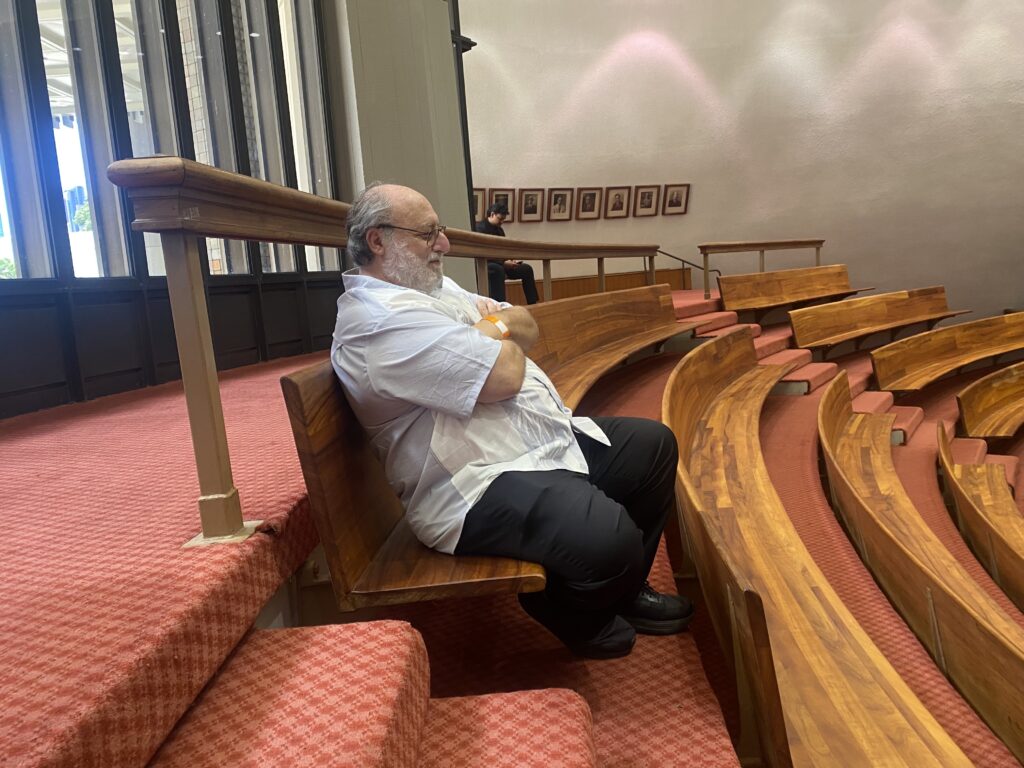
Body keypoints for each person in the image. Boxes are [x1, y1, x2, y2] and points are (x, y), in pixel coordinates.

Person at [332, 183, 694, 659]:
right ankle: (571, 613)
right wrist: (492, 335)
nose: (444, 245)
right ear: (378, 241)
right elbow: (504, 373)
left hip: (527, 442)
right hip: (472, 483)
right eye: (428, 234)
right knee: (611, 538)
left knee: (653, 447)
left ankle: (624, 594)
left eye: (440, 231)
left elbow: (525, 323)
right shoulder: (378, 322)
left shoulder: (435, 288)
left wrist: (488, 331)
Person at [474, 202, 539, 304]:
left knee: (526, 269)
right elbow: (483, 252)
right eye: (500, 219)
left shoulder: (499, 230)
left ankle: (533, 303)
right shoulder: (479, 229)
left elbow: (504, 248)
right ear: (492, 214)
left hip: (501, 262)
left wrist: (510, 259)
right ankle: (500, 305)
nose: (502, 222)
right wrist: (503, 263)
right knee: (498, 270)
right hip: (486, 264)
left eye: (503, 220)